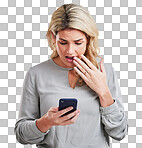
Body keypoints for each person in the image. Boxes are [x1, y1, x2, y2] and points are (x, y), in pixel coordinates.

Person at [14, 3, 128, 148]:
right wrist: (46, 122)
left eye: (78, 42)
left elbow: (119, 132)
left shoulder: (103, 70)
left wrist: (103, 91)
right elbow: (21, 135)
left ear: (88, 40)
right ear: (53, 38)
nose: (70, 51)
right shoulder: (36, 74)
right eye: (63, 42)